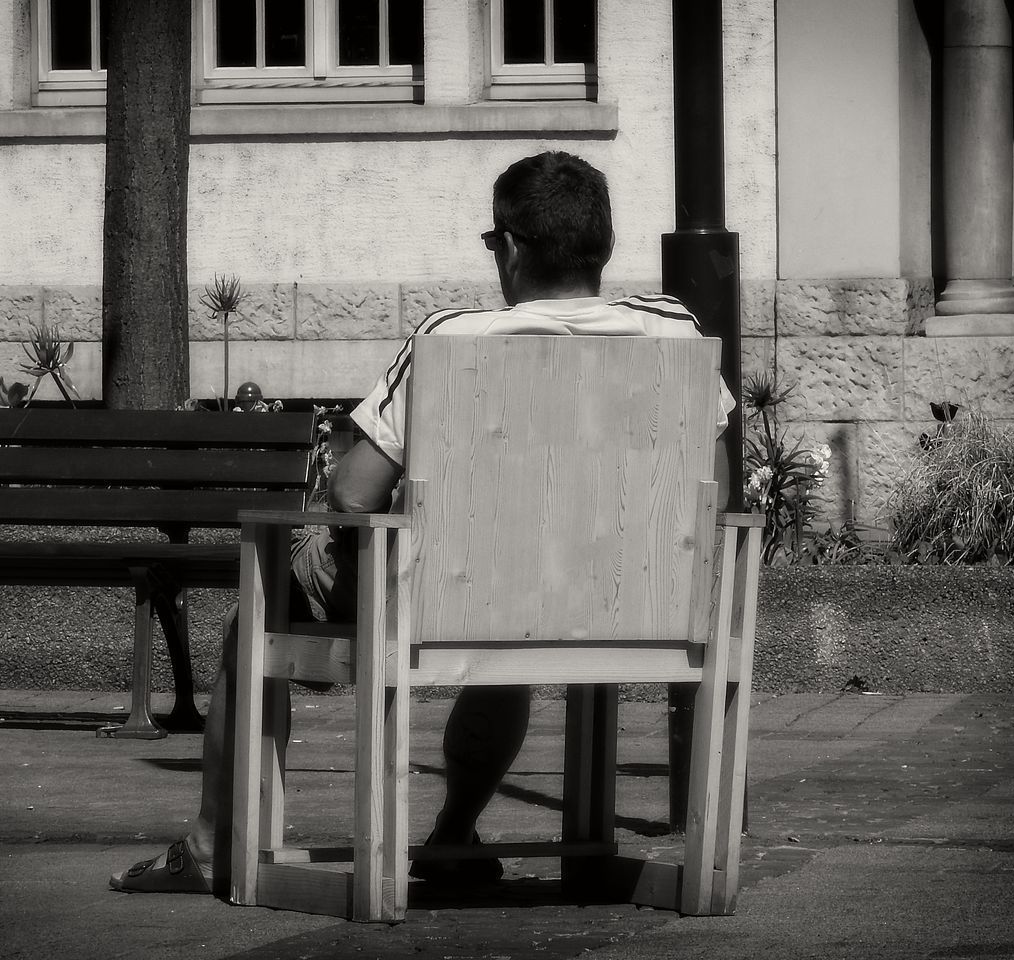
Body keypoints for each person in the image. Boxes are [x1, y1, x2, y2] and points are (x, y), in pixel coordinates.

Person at [110, 150, 735, 895]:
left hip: (459, 596)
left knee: (269, 609)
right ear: (602, 245)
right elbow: (718, 487)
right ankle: (452, 837)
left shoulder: (451, 339)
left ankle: (213, 848)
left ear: (507, 246)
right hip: (640, 602)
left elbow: (353, 495)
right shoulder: (675, 331)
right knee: (507, 605)